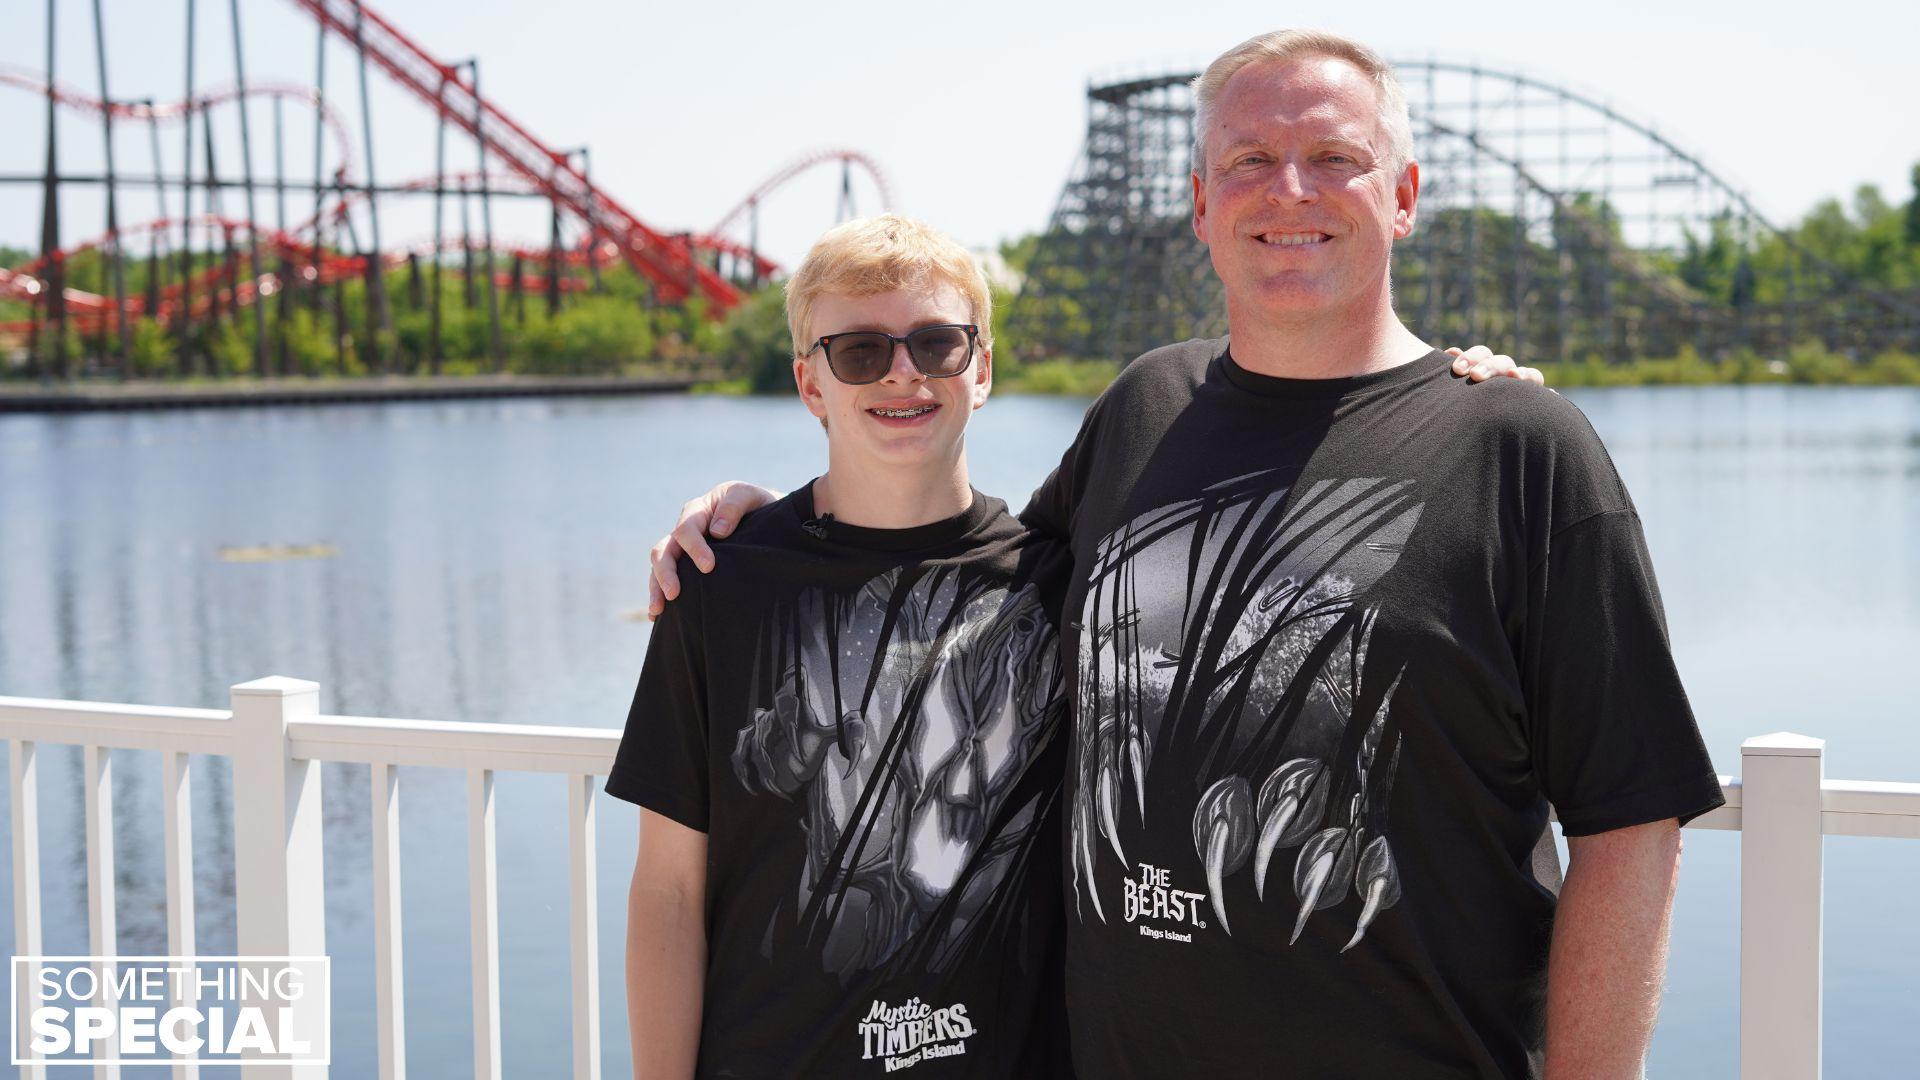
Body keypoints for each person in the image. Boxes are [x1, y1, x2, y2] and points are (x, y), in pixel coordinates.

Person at [646, 30, 1721, 1080]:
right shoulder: (1142, 408)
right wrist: (765, 523)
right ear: (1202, 203)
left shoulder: (1524, 451)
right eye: (1249, 159)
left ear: (1403, 195)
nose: (1290, 188)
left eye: (1337, 158)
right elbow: (968, 567)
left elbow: (1633, 827)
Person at [610, 214, 1075, 1078]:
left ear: (982, 369)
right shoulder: (717, 580)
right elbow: (668, 890)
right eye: (860, 352)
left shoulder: (1060, 584)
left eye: (936, 343)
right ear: (810, 384)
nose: (903, 372)